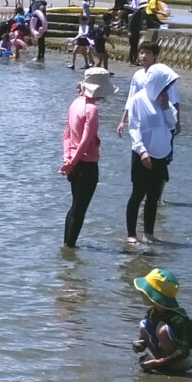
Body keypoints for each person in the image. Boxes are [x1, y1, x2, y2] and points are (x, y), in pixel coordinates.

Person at [60, 68, 115, 248]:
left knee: (74, 206)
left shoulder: (75, 103)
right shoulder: (92, 109)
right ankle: (70, 248)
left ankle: (66, 248)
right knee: (80, 209)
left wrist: (68, 160)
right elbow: (86, 140)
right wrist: (73, 161)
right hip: (87, 165)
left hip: (74, 165)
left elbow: (67, 134)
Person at [124, 64, 178, 245]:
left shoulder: (165, 101)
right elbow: (134, 127)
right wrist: (142, 151)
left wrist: (166, 107)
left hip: (160, 155)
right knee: (138, 193)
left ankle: (148, 233)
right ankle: (131, 234)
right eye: (164, 86)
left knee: (153, 196)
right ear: (156, 83)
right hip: (142, 155)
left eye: (168, 87)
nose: (166, 90)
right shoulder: (138, 100)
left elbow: (172, 125)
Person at [132, 268, 192, 374]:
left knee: (162, 329)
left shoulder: (177, 319)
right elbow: (145, 338)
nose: (141, 293)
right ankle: (167, 364)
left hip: (189, 357)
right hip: (171, 352)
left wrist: (160, 362)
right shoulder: (152, 312)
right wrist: (140, 344)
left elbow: (184, 351)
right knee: (144, 325)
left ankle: (171, 366)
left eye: (144, 292)